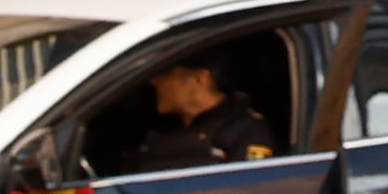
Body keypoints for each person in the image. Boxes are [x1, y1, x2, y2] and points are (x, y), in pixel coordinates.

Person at [117, 51, 280, 173]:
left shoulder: (247, 131)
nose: (154, 81)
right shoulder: (156, 130)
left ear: (200, 78)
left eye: (166, 74)